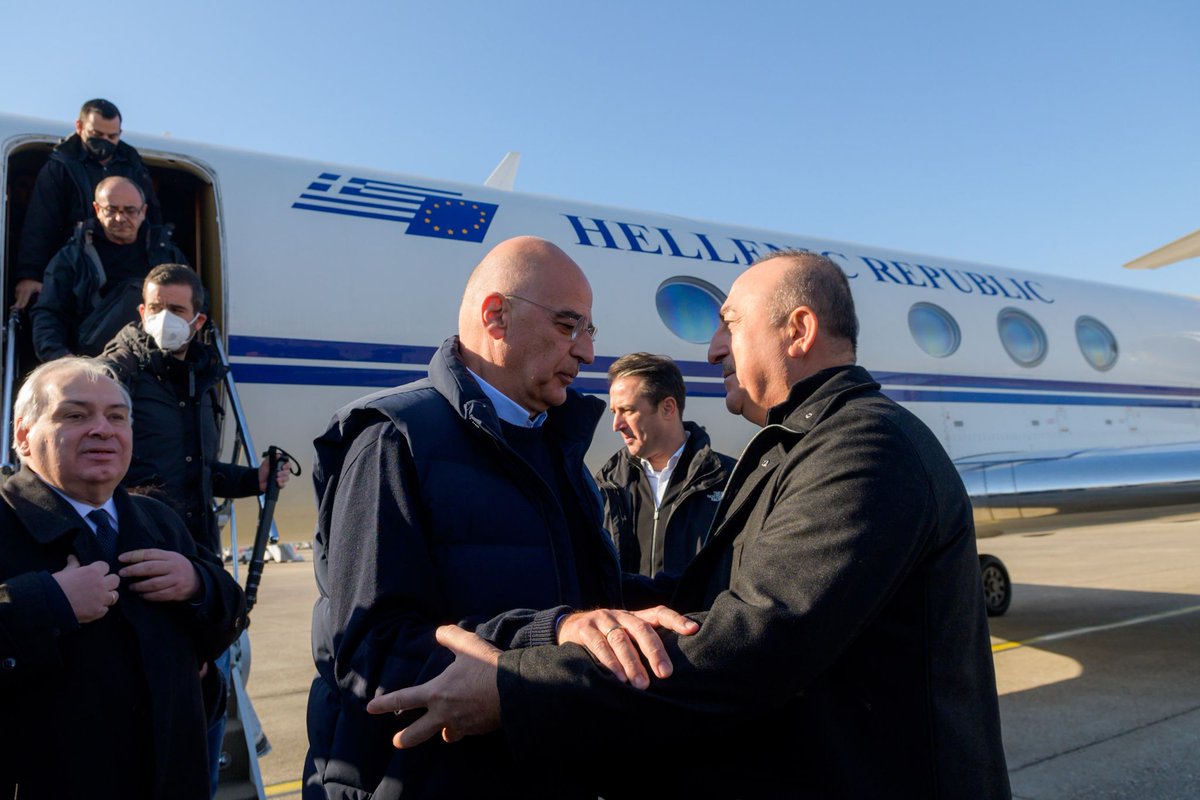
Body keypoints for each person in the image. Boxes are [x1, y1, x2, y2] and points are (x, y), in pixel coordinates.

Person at [370, 251, 1012, 799]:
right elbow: (702, 601)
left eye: (730, 324)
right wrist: (576, 620)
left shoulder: (866, 451)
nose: (712, 350)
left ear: (799, 330)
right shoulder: (803, 445)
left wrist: (514, 689)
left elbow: (752, 643)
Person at [303, 236, 695, 799]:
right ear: (496, 316)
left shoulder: (553, 446)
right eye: (569, 326)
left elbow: (585, 597)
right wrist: (547, 637)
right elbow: (369, 652)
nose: (587, 353)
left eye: (590, 331)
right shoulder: (393, 440)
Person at [0, 357, 246, 800]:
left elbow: (231, 610)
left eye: (117, 417)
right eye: (74, 415)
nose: (102, 429)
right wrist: (48, 601)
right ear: (23, 435)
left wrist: (197, 583)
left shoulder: (158, 519)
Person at [100, 263, 289, 558]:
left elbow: (198, 472)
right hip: (138, 549)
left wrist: (255, 480)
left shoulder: (202, 377)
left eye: (176, 311)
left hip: (195, 548)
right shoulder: (116, 374)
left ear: (198, 321)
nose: (163, 319)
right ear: (141, 313)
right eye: (155, 308)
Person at [595, 352, 734, 605]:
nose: (616, 424)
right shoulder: (604, 484)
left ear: (668, 407)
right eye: (615, 412)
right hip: (626, 641)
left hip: (699, 638)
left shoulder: (730, 480)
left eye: (627, 410)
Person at [14, 98, 160, 311]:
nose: (105, 142)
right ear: (79, 127)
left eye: (112, 136)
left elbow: (153, 221)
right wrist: (30, 274)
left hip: (127, 268)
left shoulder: (134, 167)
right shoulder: (61, 167)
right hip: (76, 269)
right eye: (97, 135)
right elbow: (41, 223)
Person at [30, 176, 186, 362]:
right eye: (111, 210)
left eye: (130, 210)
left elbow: (196, 304)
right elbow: (48, 313)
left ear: (143, 211)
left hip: (154, 366)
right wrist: (61, 359)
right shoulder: (73, 258)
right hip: (91, 366)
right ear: (97, 209)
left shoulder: (166, 254)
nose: (120, 218)